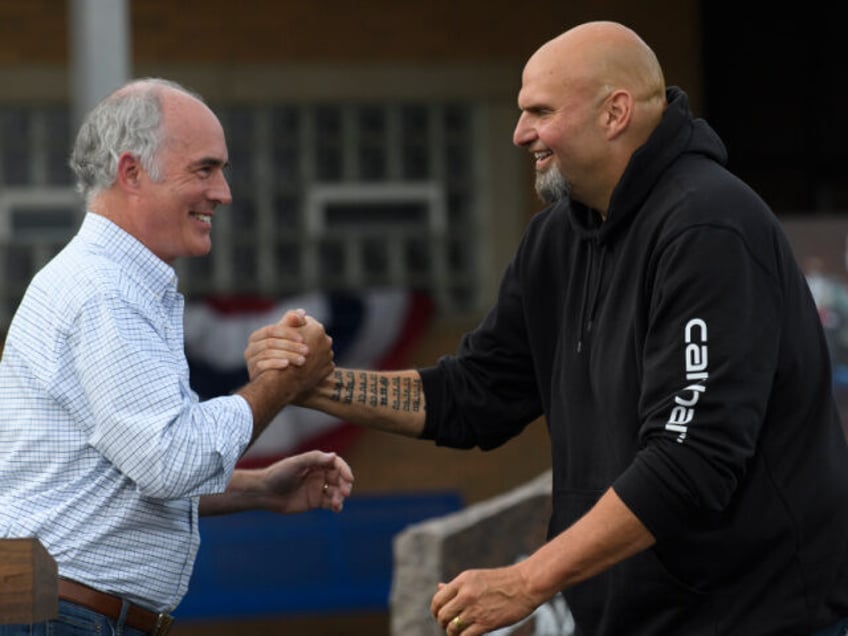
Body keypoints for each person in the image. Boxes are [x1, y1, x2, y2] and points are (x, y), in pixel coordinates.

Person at [246, 21, 848, 636]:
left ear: (614, 112)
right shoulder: (558, 238)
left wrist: (528, 580)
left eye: (539, 111)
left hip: (755, 620)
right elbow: (475, 395)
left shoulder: (709, 227)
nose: (519, 133)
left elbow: (690, 460)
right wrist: (313, 384)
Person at [0, 78, 353, 635]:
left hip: (57, 610)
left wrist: (259, 487)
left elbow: (118, 478)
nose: (224, 192)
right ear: (132, 172)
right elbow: (168, 462)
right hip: (64, 617)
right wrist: (281, 382)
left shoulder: (109, 283)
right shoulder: (105, 291)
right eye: (205, 169)